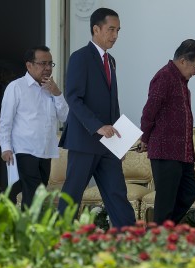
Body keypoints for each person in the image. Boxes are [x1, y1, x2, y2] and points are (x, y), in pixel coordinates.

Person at [58, 8, 136, 228]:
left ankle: (130, 243)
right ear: (96, 29)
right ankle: (60, 241)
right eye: (111, 29)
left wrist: (119, 143)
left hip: (109, 143)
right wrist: (97, 126)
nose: (115, 35)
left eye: (118, 30)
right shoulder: (80, 58)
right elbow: (73, 98)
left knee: (117, 194)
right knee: (72, 194)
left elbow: (113, 104)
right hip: (84, 140)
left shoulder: (111, 60)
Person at [138, 39, 195, 225]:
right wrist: (145, 137)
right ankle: (159, 237)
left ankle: (163, 229)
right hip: (165, 150)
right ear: (183, 61)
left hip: (182, 152)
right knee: (166, 200)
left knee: (190, 191)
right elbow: (149, 110)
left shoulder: (181, 80)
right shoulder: (165, 77)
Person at [0, 45, 68, 209]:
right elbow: (5, 121)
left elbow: (65, 117)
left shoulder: (51, 88)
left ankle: (24, 226)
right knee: (33, 192)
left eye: (50, 64)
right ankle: (30, 229)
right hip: (24, 150)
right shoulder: (16, 87)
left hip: (46, 150)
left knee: (37, 194)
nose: (48, 68)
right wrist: (6, 147)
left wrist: (57, 94)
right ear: (29, 65)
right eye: (43, 63)